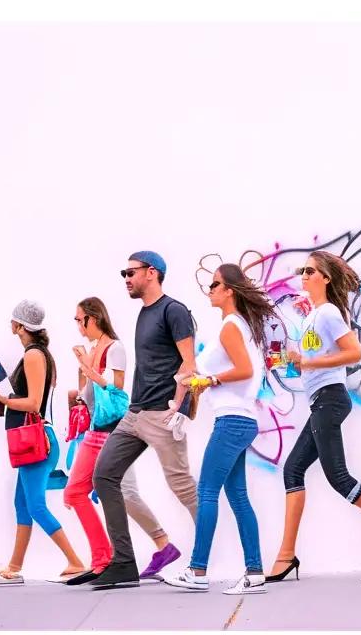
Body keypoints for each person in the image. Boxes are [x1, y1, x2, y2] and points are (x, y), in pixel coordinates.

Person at [265, 252, 361, 584]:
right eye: (303, 270)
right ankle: (286, 555)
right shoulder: (314, 315)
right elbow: (317, 355)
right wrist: (294, 358)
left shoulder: (328, 313)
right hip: (320, 401)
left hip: (330, 399)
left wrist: (309, 364)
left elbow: (353, 353)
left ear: (326, 278)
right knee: (294, 469)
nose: (304, 275)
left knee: (339, 478)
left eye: (311, 271)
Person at [164, 263, 277, 596]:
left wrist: (209, 379)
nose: (209, 290)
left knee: (207, 493)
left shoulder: (231, 325)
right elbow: (237, 372)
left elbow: (243, 370)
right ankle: (254, 572)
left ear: (229, 290)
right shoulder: (239, 325)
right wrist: (189, 393)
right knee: (238, 496)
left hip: (232, 422)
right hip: (238, 420)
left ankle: (198, 569)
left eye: (215, 285)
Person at [90, 251, 198, 589]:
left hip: (161, 415)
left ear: (152, 273)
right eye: (124, 273)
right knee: (104, 476)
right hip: (134, 415)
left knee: (185, 490)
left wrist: (178, 409)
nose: (126, 279)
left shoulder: (174, 311)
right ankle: (123, 563)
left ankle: (216, 555)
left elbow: (189, 365)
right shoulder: (144, 314)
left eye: (130, 272)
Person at [62, 297, 178, 586]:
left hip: (116, 429)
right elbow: (89, 393)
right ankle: (109, 558)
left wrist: (88, 369)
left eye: (79, 319)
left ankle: (155, 547)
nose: (77, 325)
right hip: (96, 429)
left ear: (93, 317)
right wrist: (78, 393)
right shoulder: (91, 349)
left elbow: (117, 389)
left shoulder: (115, 348)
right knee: (85, 492)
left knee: (122, 491)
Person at [0, 300, 87, 586]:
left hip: (37, 442)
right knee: (22, 503)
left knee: (36, 505)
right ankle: (14, 567)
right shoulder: (39, 354)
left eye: (13, 320)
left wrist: (3, 398)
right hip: (35, 441)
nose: (10, 325)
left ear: (20, 326)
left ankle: (75, 561)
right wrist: (4, 401)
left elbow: (34, 404)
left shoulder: (34, 355)